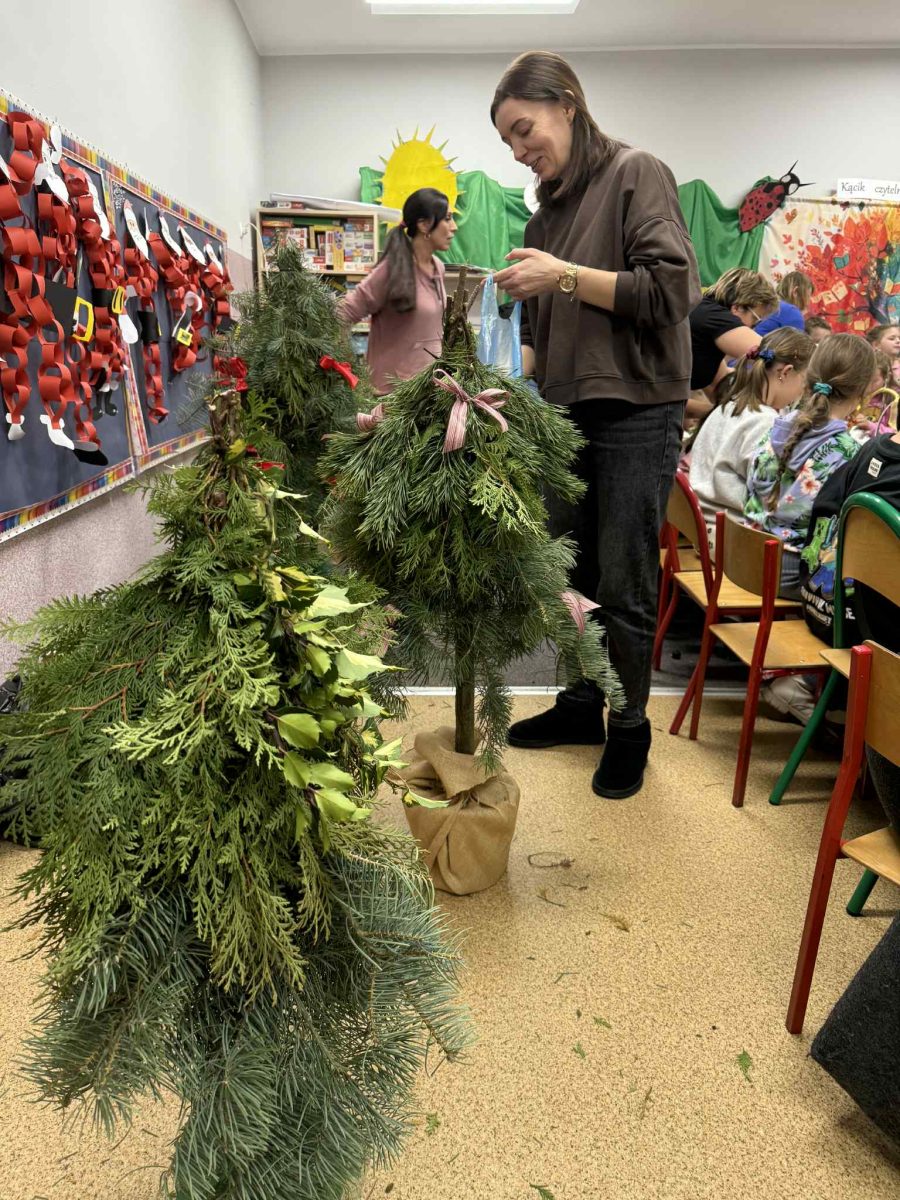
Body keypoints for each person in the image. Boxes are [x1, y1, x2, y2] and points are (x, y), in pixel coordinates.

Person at [489, 50, 701, 800]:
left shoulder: (636, 173)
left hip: (636, 410)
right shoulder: (545, 213)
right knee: (571, 577)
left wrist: (562, 275)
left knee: (624, 579)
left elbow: (671, 291)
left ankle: (630, 726)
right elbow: (542, 334)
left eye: (524, 129)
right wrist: (498, 383)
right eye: (507, 141)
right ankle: (582, 704)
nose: (519, 150)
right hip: (564, 414)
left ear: (567, 105)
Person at [744, 333, 874, 600]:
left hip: (746, 556)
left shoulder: (779, 425)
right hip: (792, 574)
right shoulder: (849, 452)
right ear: (864, 391)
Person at [689, 328, 812, 546]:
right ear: (785, 372)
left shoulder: (731, 403)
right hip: (729, 537)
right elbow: (770, 498)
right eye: (804, 382)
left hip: (702, 525)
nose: (802, 392)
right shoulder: (764, 422)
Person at [337, 188, 456, 395]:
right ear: (424, 225)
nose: (454, 227)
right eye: (447, 219)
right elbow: (342, 316)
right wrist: (348, 370)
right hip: (392, 396)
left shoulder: (438, 267)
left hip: (427, 391)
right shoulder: (391, 270)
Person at [689, 267, 778, 397]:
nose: (753, 327)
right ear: (737, 308)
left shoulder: (706, 310)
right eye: (755, 319)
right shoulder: (715, 318)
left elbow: (722, 377)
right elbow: (776, 355)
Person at [754, 271, 814, 337]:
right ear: (795, 291)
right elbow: (797, 343)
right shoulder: (791, 311)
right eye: (808, 296)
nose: (808, 302)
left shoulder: (769, 305)